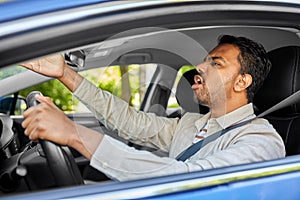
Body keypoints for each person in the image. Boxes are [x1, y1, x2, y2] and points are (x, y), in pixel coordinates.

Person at [21, 35, 285, 181]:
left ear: (242, 82)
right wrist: (65, 74)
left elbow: (188, 182)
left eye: (215, 64)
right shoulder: (190, 123)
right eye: (204, 62)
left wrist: (75, 134)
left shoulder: (261, 140)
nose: (200, 69)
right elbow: (128, 121)